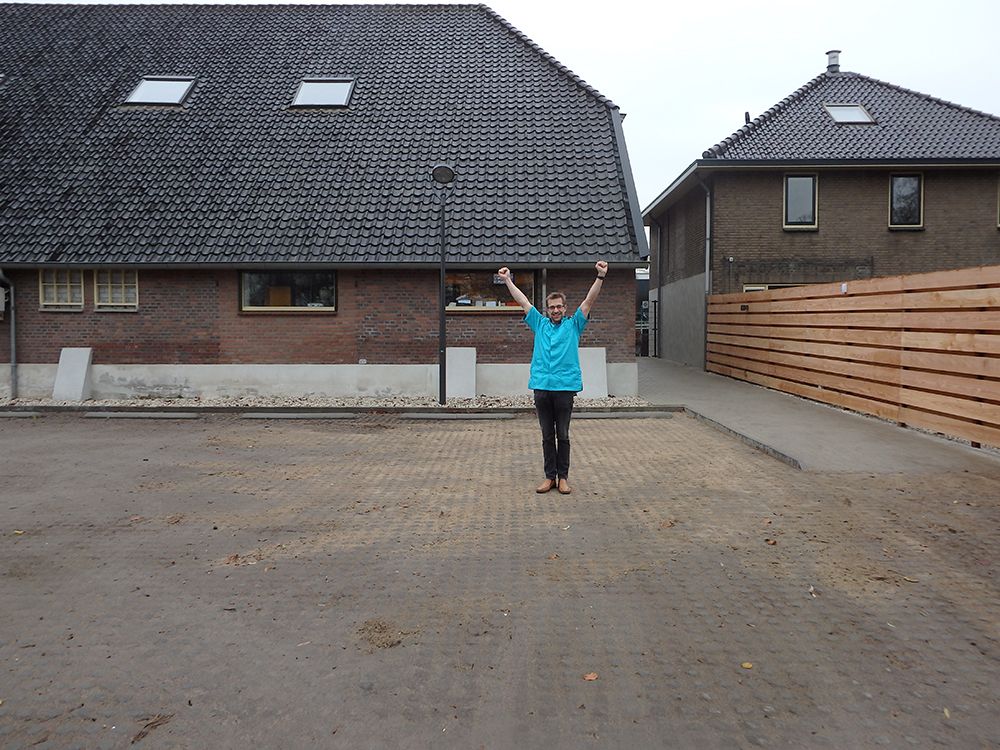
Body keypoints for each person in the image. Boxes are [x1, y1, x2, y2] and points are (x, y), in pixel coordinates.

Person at [497, 261, 609, 495]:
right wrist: (508, 280)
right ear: (547, 310)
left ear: (565, 308)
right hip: (542, 387)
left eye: (559, 307)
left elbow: (589, 301)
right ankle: (549, 477)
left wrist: (600, 276)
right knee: (547, 436)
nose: (555, 310)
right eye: (551, 307)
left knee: (563, 435)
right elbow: (523, 301)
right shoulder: (539, 324)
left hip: (565, 388)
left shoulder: (574, 325)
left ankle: (564, 478)